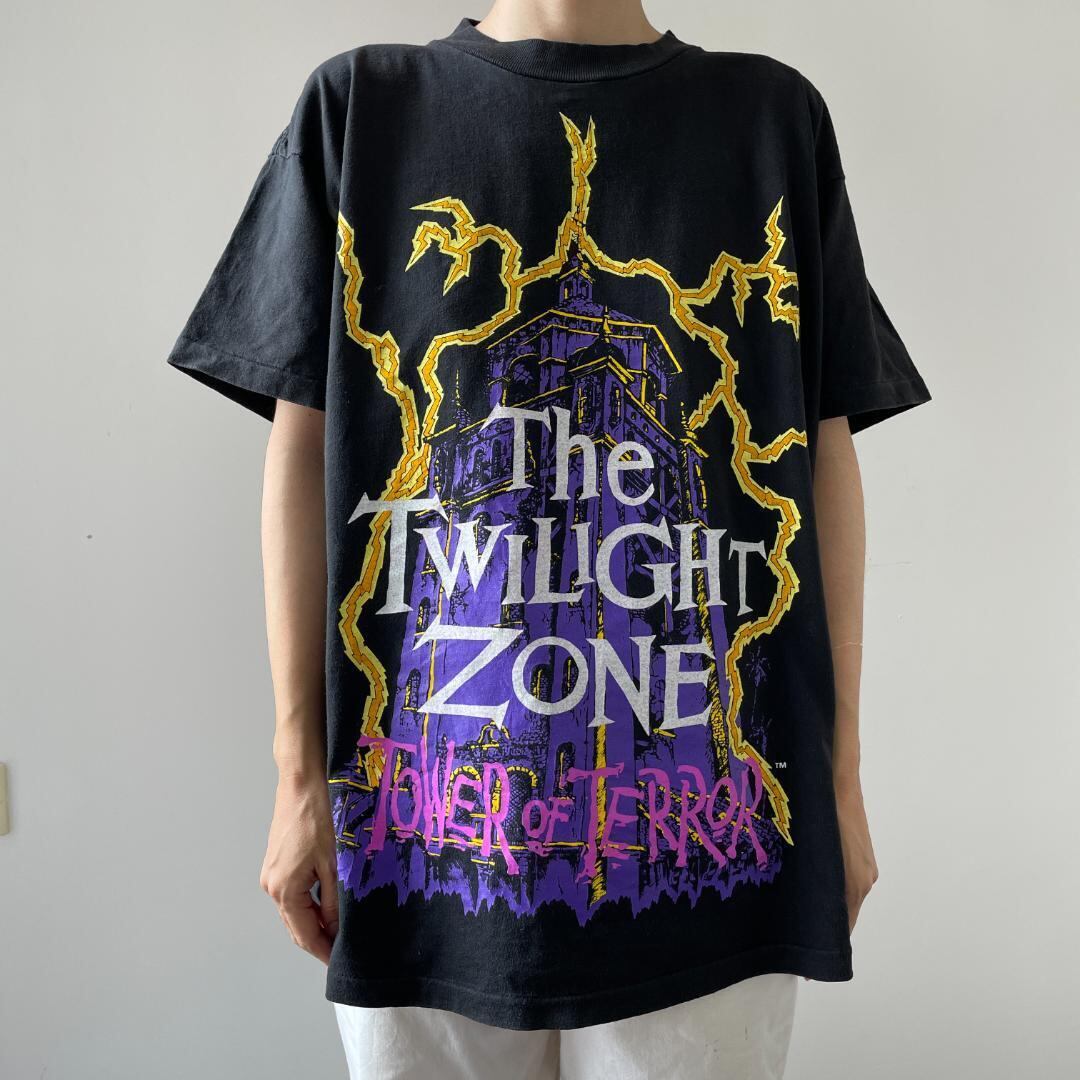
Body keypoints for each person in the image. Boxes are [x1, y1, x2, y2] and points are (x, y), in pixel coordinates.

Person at [166, 1, 931, 1076]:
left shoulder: (771, 118)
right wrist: (299, 780)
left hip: (705, 848)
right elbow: (304, 453)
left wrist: (839, 784)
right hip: (421, 847)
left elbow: (820, 457)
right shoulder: (362, 107)